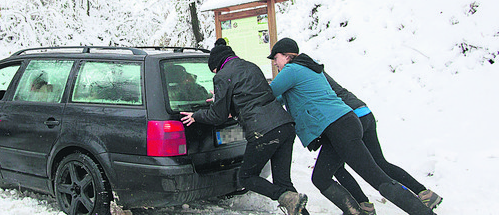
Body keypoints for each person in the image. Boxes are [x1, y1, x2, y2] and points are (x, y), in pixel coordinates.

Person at [268, 37, 437, 215]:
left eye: (276, 58)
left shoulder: (292, 70)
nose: (275, 63)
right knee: (321, 177)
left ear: (287, 56)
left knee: (377, 177)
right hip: (339, 127)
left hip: (341, 126)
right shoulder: (306, 68)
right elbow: (280, 97)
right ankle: (356, 211)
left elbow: (268, 93)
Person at [180, 38, 308, 215]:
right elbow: (252, 97)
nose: (215, 73)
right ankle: (295, 204)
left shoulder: (222, 76)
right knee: (284, 182)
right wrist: (226, 103)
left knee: (247, 177)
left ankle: (283, 196)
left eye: (214, 70)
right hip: (285, 126)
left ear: (218, 66)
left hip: (263, 131)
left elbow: (218, 115)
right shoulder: (250, 66)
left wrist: (196, 115)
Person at [323, 72, 442, 214]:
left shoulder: (302, 74)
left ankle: (363, 204)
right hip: (363, 111)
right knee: (379, 162)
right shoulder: (315, 69)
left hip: (348, 118)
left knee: (334, 167)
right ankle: (424, 192)